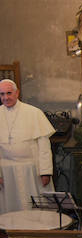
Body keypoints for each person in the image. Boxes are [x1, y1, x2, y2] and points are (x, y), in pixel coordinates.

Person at [0, 79, 55, 213]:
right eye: (2, 94)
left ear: (17, 93)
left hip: (31, 171)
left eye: (9, 93)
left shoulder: (33, 113)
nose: (6, 97)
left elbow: (44, 147)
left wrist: (45, 172)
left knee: (36, 210)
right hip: (6, 173)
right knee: (11, 210)